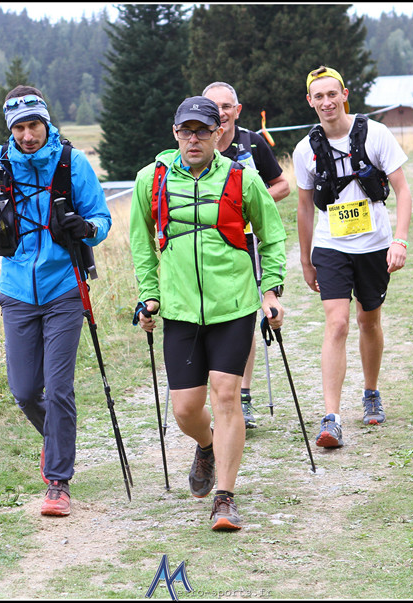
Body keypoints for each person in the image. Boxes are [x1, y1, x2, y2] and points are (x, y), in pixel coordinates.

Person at [0, 85, 111, 517]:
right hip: (16, 291)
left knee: (58, 387)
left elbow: (102, 219)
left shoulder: (71, 162)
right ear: (11, 129)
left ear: (46, 122)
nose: (27, 135)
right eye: (19, 128)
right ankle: (57, 441)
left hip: (64, 289)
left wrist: (85, 228)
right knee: (24, 391)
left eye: (34, 125)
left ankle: (58, 482)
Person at [131, 96, 286, 531]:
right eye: (187, 131)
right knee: (185, 409)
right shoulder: (151, 180)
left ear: (218, 133)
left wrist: (270, 291)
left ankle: (225, 498)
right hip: (180, 309)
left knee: (226, 396)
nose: (194, 139)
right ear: (175, 133)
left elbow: (273, 235)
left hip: (232, 306)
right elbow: (142, 244)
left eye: (203, 131)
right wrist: (149, 296)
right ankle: (207, 445)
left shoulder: (241, 177)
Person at [292, 66, 412, 448]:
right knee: (337, 324)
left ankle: (371, 392)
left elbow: (403, 190)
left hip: (374, 244)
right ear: (310, 101)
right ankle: (331, 418)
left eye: (332, 94)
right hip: (331, 246)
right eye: (319, 96)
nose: (326, 102)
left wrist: (400, 241)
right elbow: (304, 208)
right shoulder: (305, 149)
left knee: (368, 320)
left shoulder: (375, 134)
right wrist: (306, 260)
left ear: (345, 95)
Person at [203, 82, 291, 430]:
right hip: (206, 244)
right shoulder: (195, 143)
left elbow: (282, 185)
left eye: (227, 106)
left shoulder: (252, 143)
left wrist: (252, 202)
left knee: (243, 317)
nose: (221, 113)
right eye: (214, 107)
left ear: (237, 110)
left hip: (248, 241)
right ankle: (215, 396)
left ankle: (243, 397)